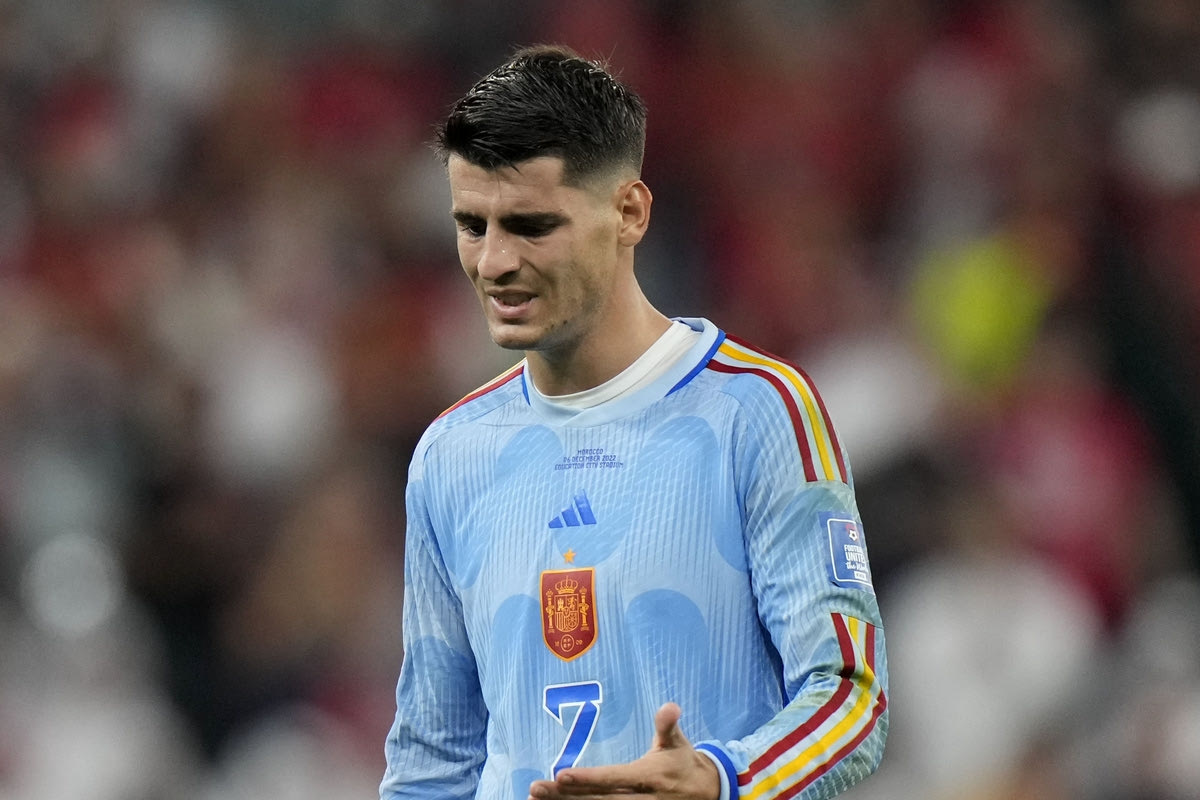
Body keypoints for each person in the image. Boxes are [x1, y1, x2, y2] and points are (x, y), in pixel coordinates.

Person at [380, 44, 887, 800]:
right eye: (472, 225)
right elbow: (432, 760)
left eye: (531, 225)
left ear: (629, 213)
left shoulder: (757, 411)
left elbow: (849, 696)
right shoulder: (451, 454)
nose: (492, 263)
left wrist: (723, 779)